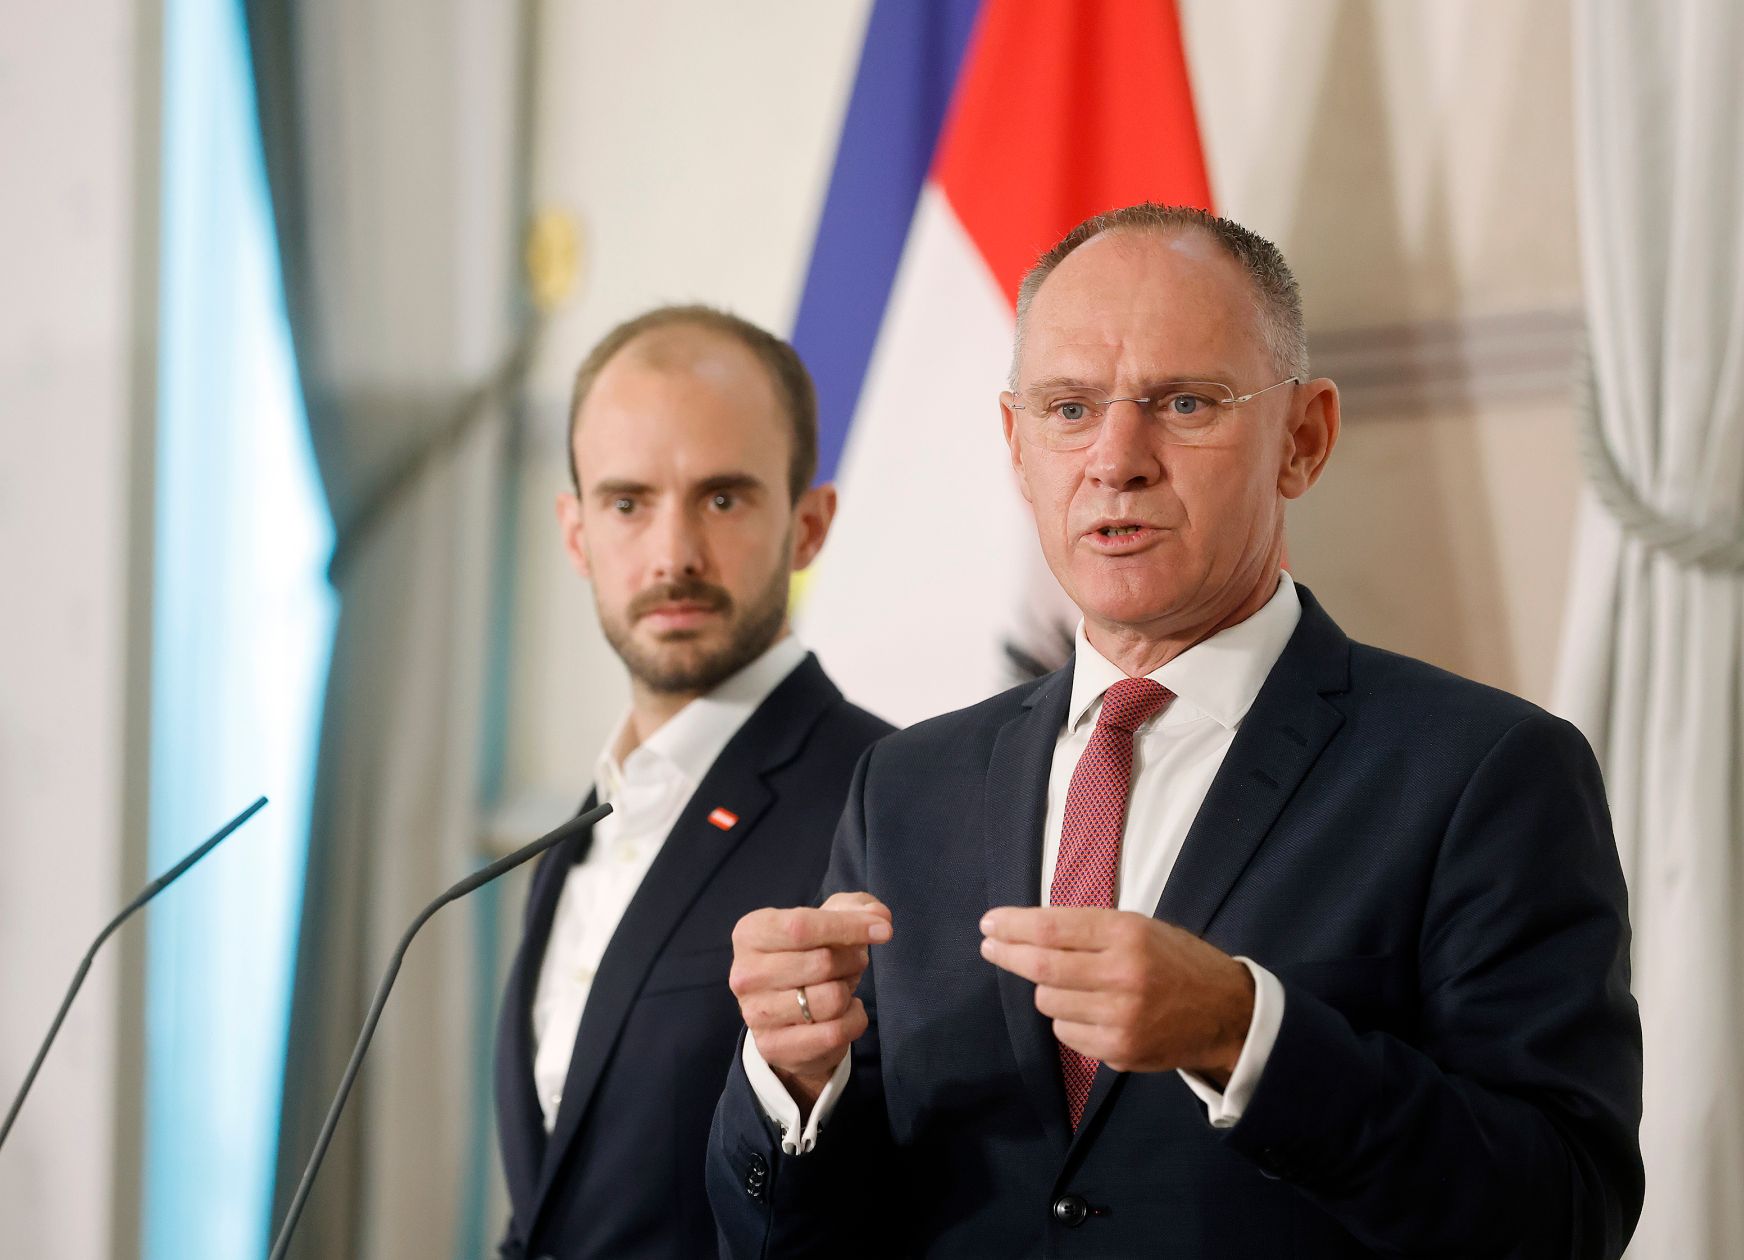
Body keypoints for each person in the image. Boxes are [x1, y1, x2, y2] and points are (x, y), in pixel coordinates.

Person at [708, 206, 1642, 1257]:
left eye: (1184, 402)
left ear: (1303, 437)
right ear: (1016, 448)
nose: (1116, 458)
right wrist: (789, 1081)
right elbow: (801, 1242)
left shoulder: (1485, 772)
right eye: (1068, 409)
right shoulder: (908, 785)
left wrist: (1244, 1036)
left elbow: (1563, 1217)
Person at [493, 305, 892, 1260]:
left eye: (722, 499)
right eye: (628, 503)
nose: (672, 554)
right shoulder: (587, 825)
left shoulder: (889, 804)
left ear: (809, 524)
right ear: (577, 530)